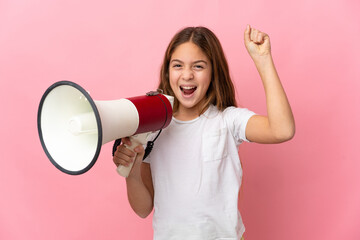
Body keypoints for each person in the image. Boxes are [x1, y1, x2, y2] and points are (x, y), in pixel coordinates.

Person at [113, 25, 295, 240]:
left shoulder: (228, 120)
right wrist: (131, 172)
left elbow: (282, 130)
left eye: (198, 66)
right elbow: (143, 209)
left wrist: (263, 61)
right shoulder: (153, 129)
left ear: (213, 72)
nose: (187, 75)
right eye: (178, 65)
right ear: (167, 71)